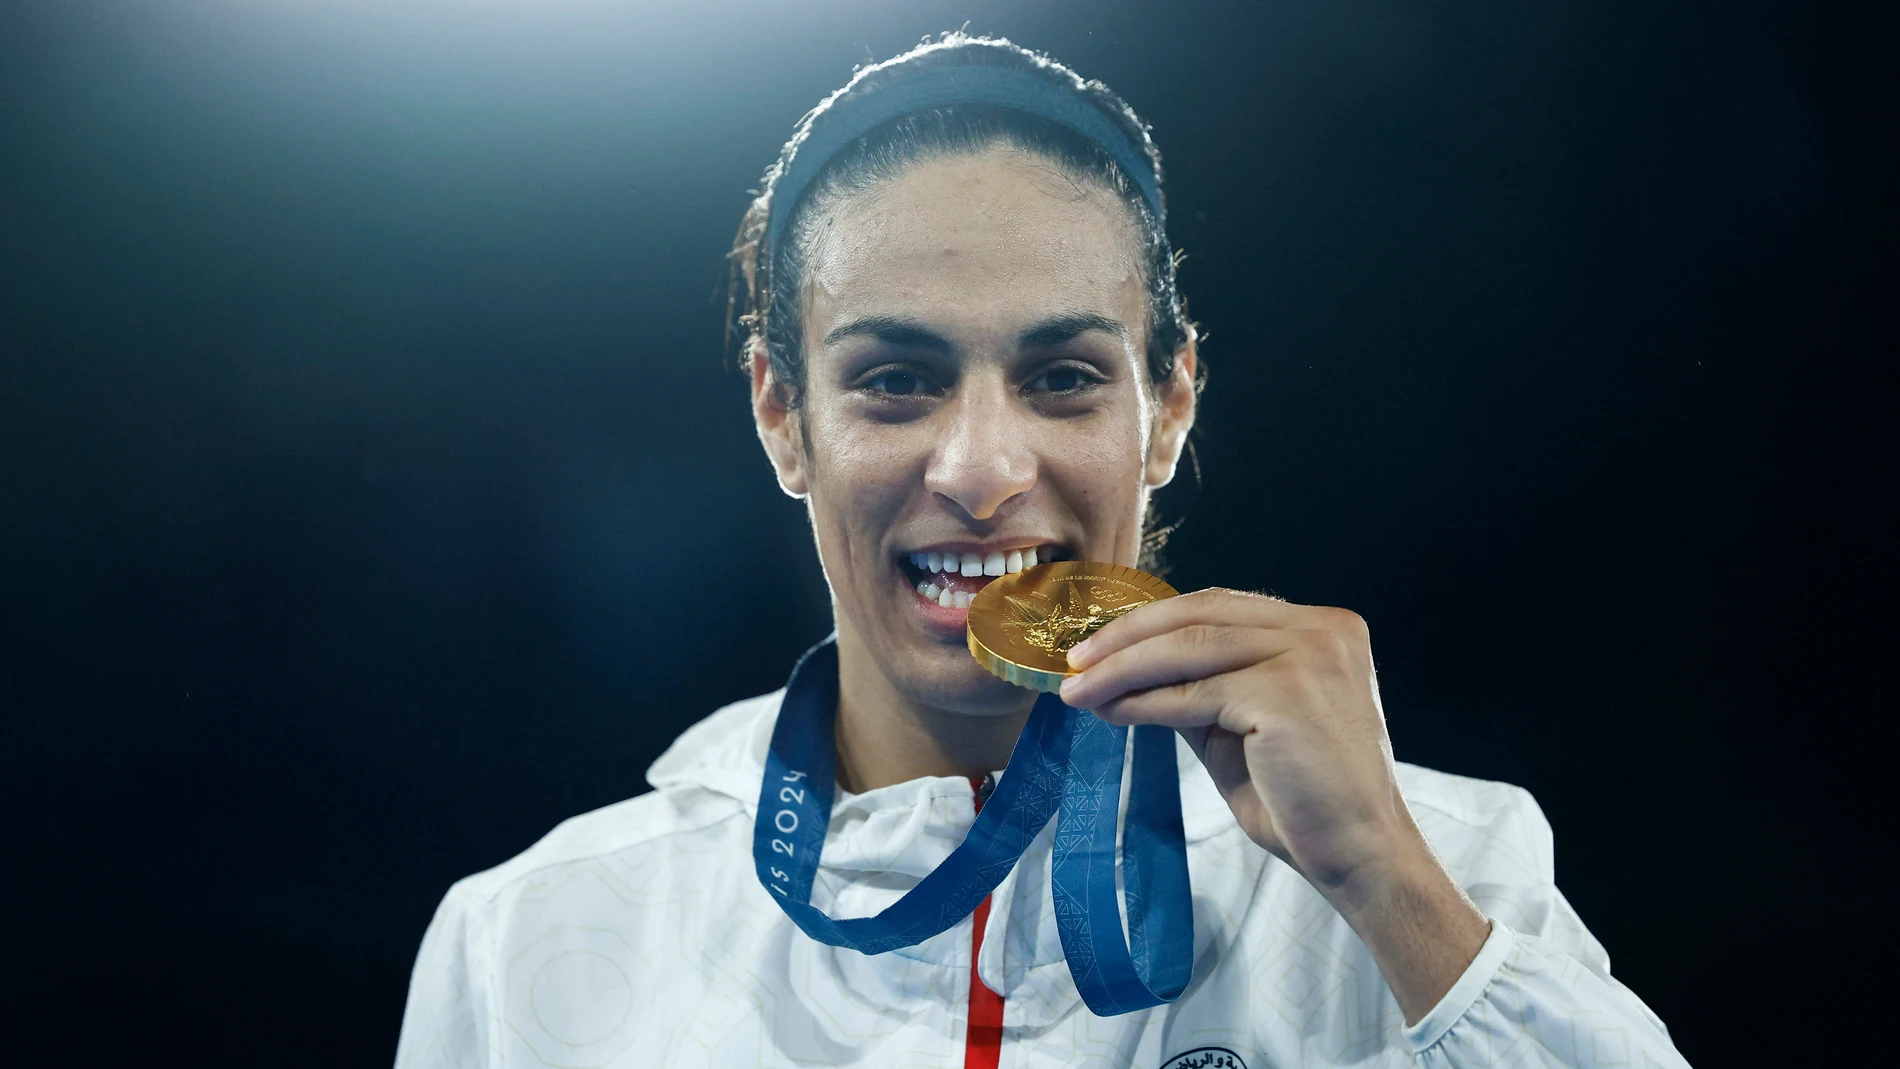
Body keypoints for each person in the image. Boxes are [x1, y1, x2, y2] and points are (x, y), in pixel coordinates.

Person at [395, 34, 1688, 1069]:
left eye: (1063, 376)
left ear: (1169, 407)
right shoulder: (534, 937)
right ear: (782, 417)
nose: (980, 469)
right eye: (896, 379)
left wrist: (1390, 891)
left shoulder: (1444, 866)